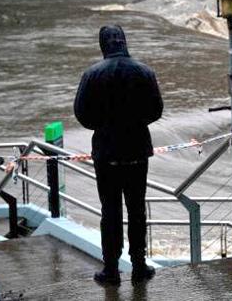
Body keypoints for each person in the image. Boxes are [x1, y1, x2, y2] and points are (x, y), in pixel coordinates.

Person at [74, 25, 163, 285]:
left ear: (103, 45)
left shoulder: (91, 75)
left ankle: (111, 270)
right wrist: (135, 123)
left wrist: (103, 126)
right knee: (137, 211)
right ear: (125, 42)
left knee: (109, 211)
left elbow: (81, 113)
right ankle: (139, 266)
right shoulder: (145, 72)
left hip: (107, 153)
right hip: (136, 152)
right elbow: (156, 110)